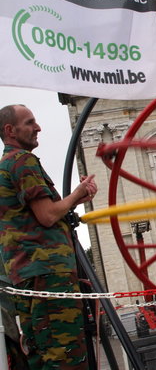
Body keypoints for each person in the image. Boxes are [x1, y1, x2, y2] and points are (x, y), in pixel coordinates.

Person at [0, 104, 97, 369]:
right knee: (65, 357)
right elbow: (47, 215)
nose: (38, 127)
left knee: (41, 357)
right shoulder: (22, 161)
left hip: (27, 275)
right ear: (10, 130)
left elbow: (35, 218)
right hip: (48, 275)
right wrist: (76, 195)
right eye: (30, 122)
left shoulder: (5, 167)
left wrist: (72, 201)